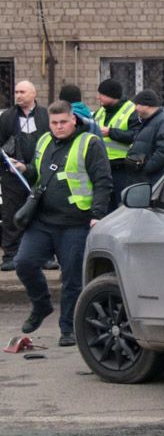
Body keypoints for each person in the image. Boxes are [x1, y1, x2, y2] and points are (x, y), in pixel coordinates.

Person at [11, 100, 112, 346]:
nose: (59, 127)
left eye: (63, 122)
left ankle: (68, 328)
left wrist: (97, 215)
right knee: (23, 263)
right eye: (54, 123)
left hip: (76, 223)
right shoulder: (44, 140)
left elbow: (103, 181)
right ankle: (42, 305)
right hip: (43, 221)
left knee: (72, 279)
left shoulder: (90, 143)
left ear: (73, 120)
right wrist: (24, 168)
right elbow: (39, 171)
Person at [0, 81, 50, 272]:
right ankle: (11, 254)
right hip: (12, 176)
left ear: (34, 93)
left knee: (41, 214)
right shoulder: (7, 117)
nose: (18, 95)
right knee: (11, 213)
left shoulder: (45, 116)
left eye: (22, 92)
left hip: (38, 173)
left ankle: (44, 255)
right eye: (16, 91)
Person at [94, 78, 139, 212]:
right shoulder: (101, 111)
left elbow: (136, 136)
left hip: (122, 168)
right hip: (103, 166)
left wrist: (111, 132)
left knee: (121, 206)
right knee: (106, 204)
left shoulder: (131, 110)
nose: (98, 97)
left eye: (101, 94)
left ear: (111, 95)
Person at [127, 89, 164, 187]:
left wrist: (146, 169)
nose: (135, 108)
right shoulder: (150, 121)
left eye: (137, 104)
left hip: (154, 181)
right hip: (147, 180)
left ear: (146, 105)